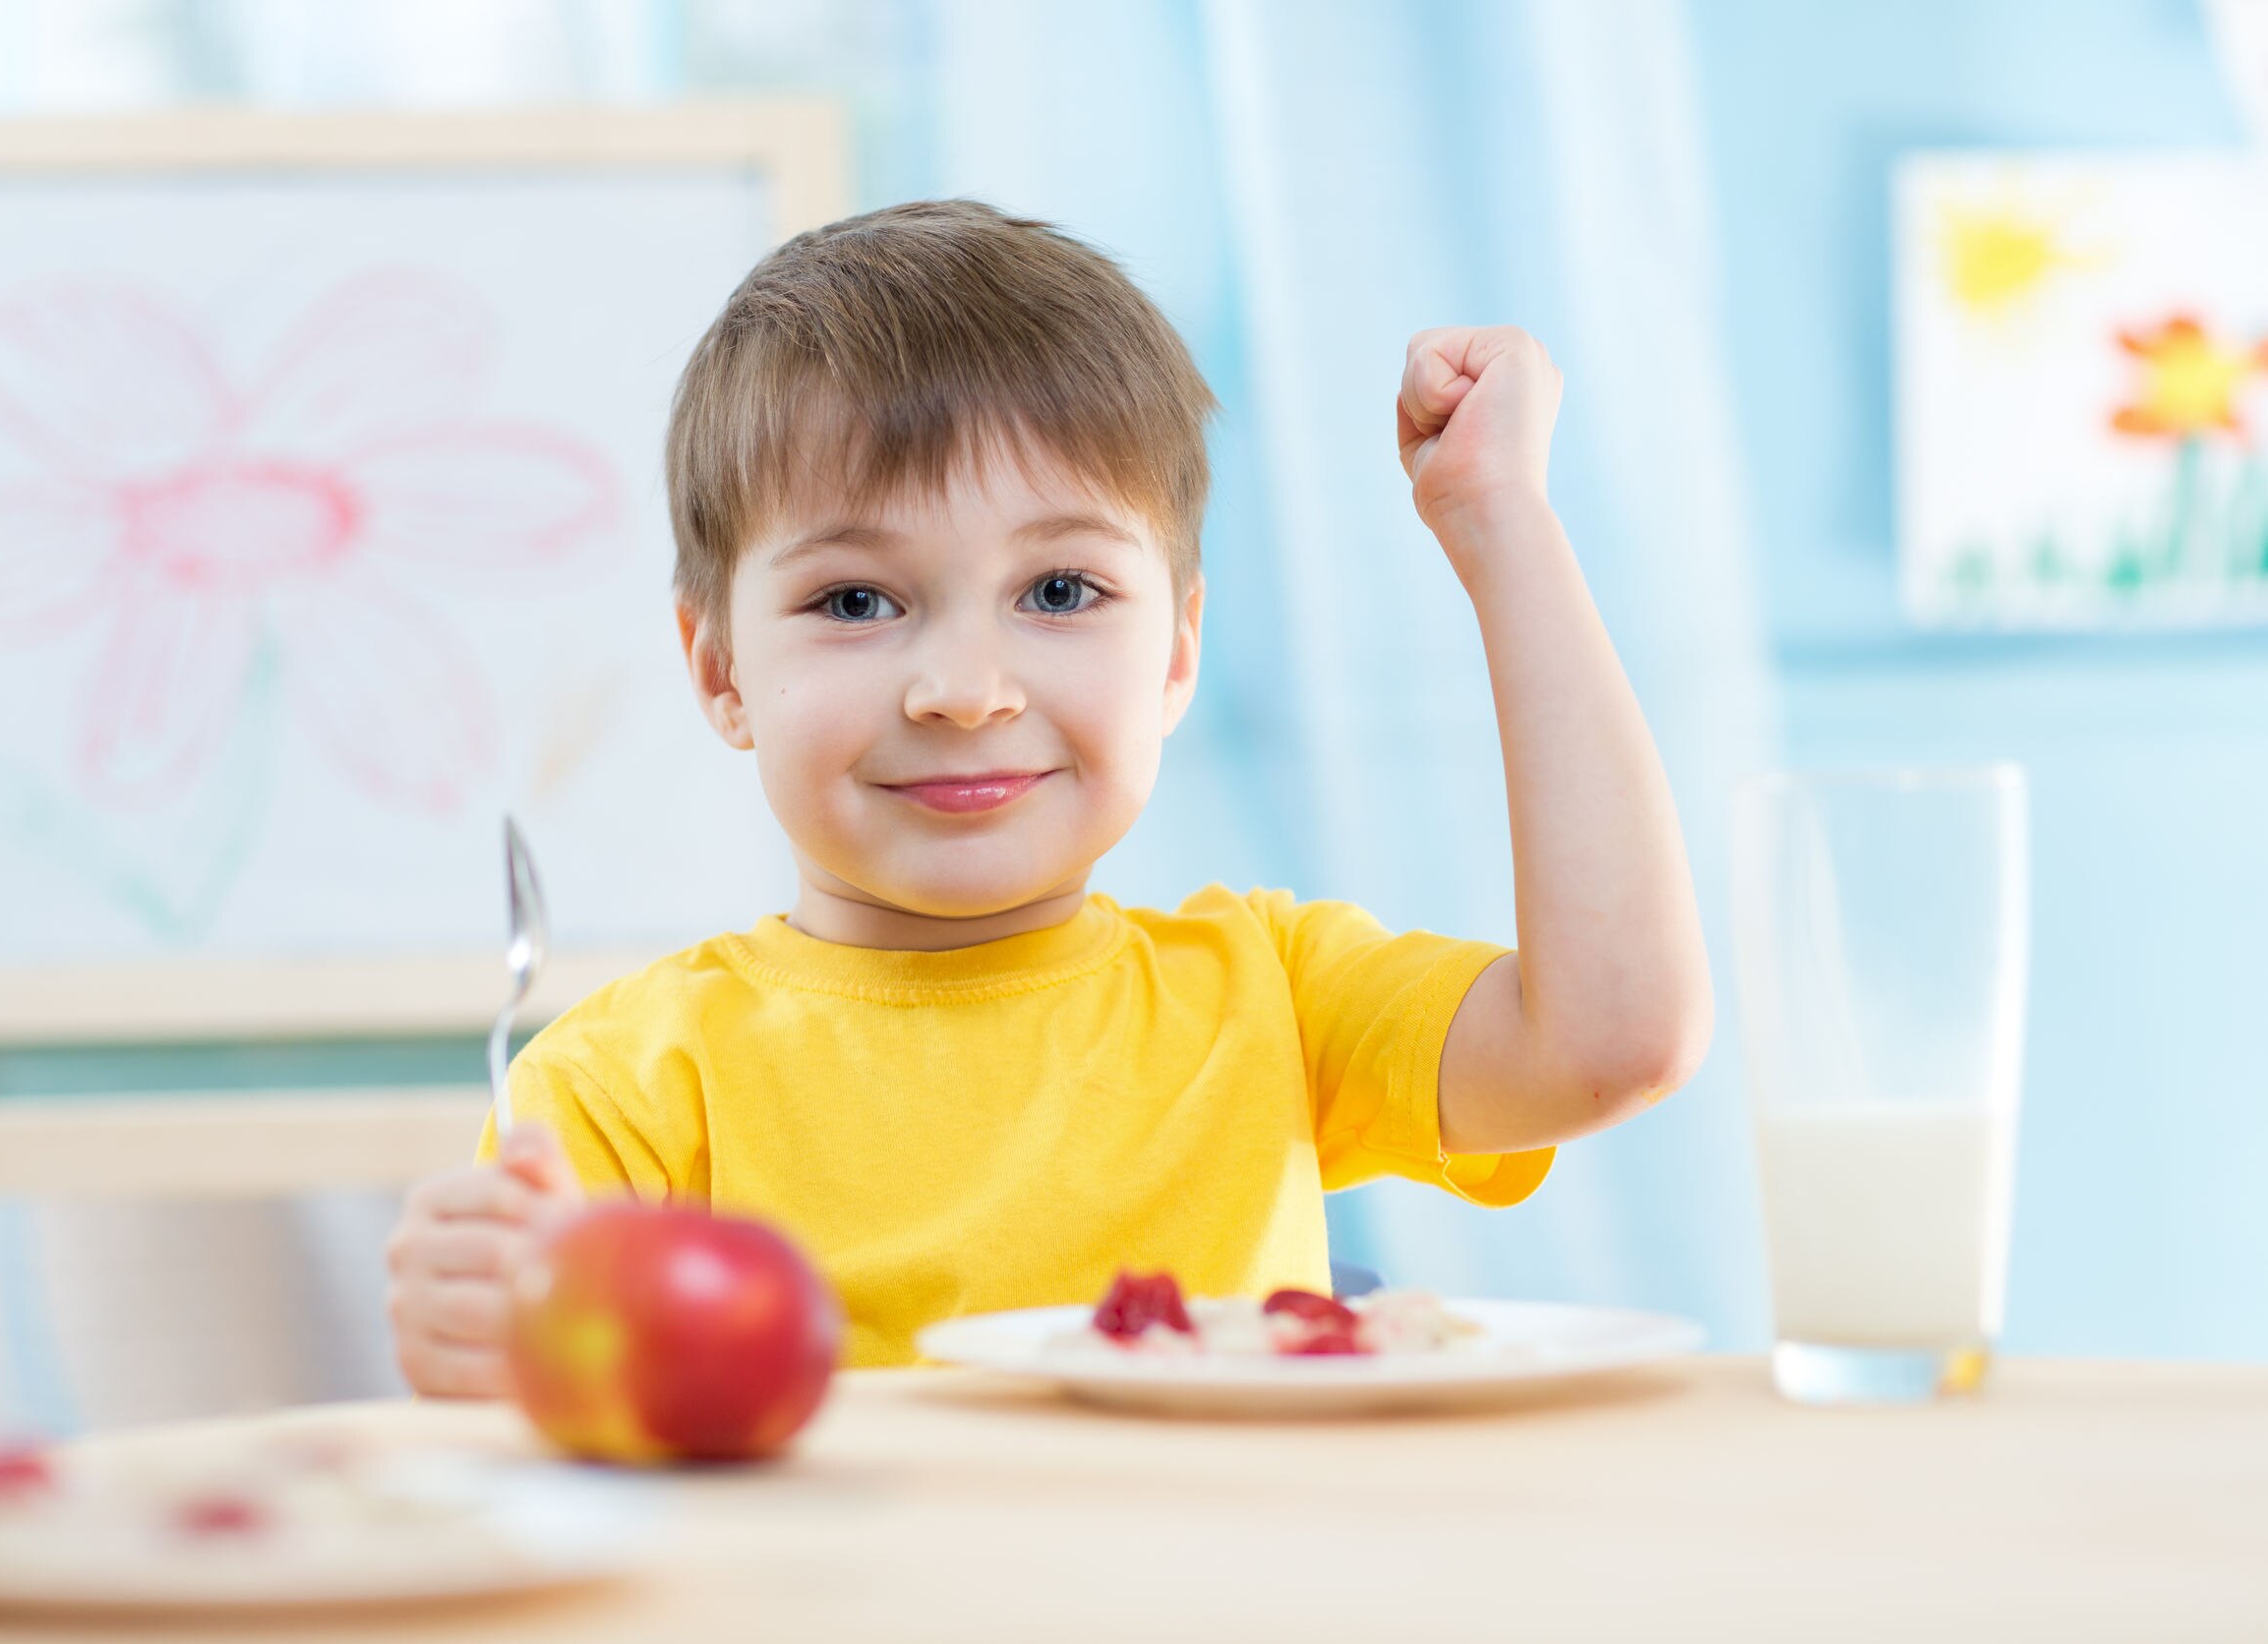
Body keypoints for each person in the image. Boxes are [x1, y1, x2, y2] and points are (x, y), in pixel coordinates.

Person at [386, 199, 1709, 1389]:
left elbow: (1614, 1042)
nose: (966, 690)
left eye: (1061, 592)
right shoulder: (625, 1093)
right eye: (856, 600)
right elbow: (541, 1427)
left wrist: (1501, 526)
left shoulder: (1271, 993)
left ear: (1178, 648)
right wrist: (482, 1341)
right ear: (721, 668)